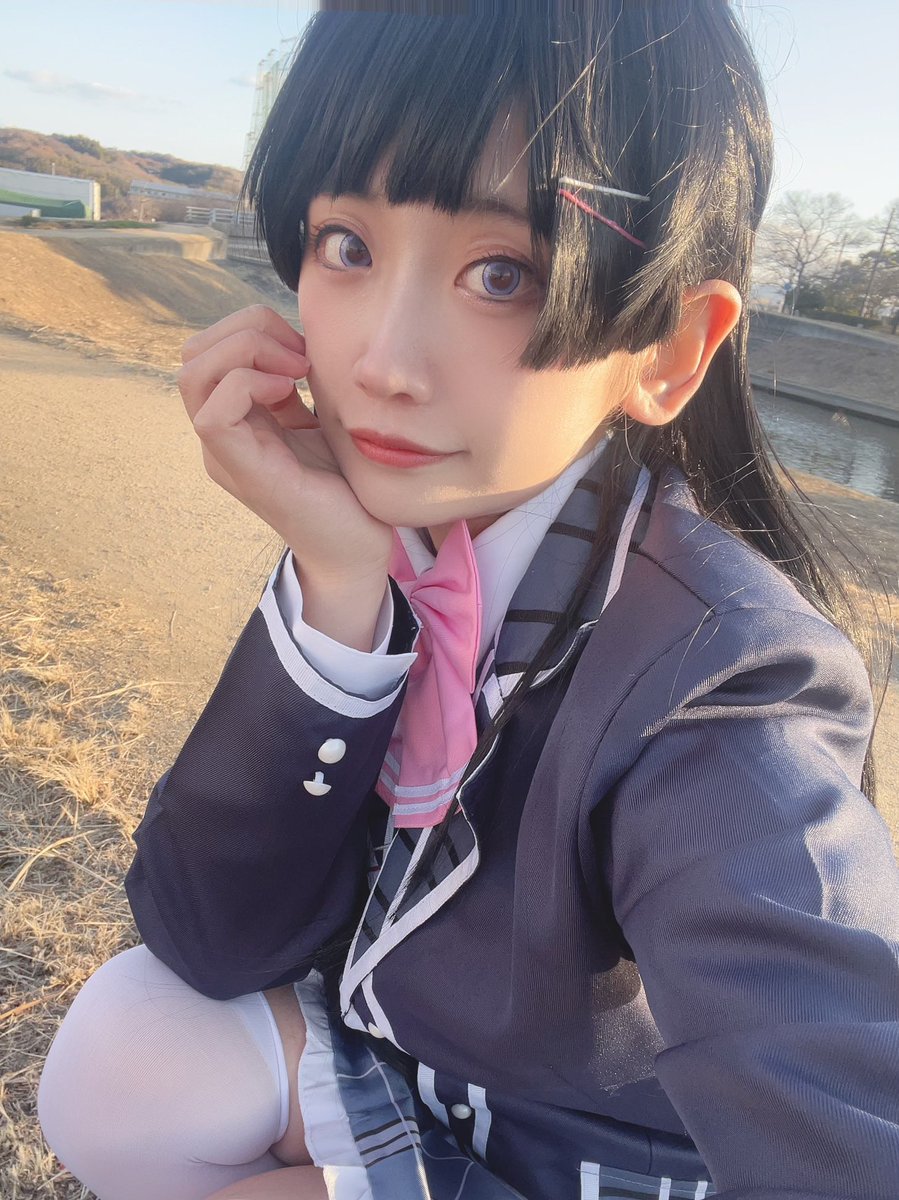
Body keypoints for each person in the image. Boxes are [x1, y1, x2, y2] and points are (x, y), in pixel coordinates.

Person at [37, 3, 899, 1199]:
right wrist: (335, 587)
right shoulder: (398, 541)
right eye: (346, 244)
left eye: (502, 274)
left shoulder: (721, 677)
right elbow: (206, 940)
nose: (382, 362)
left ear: (665, 349)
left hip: (585, 1164)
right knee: (120, 1054)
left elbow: (841, 1098)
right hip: (420, 1082)